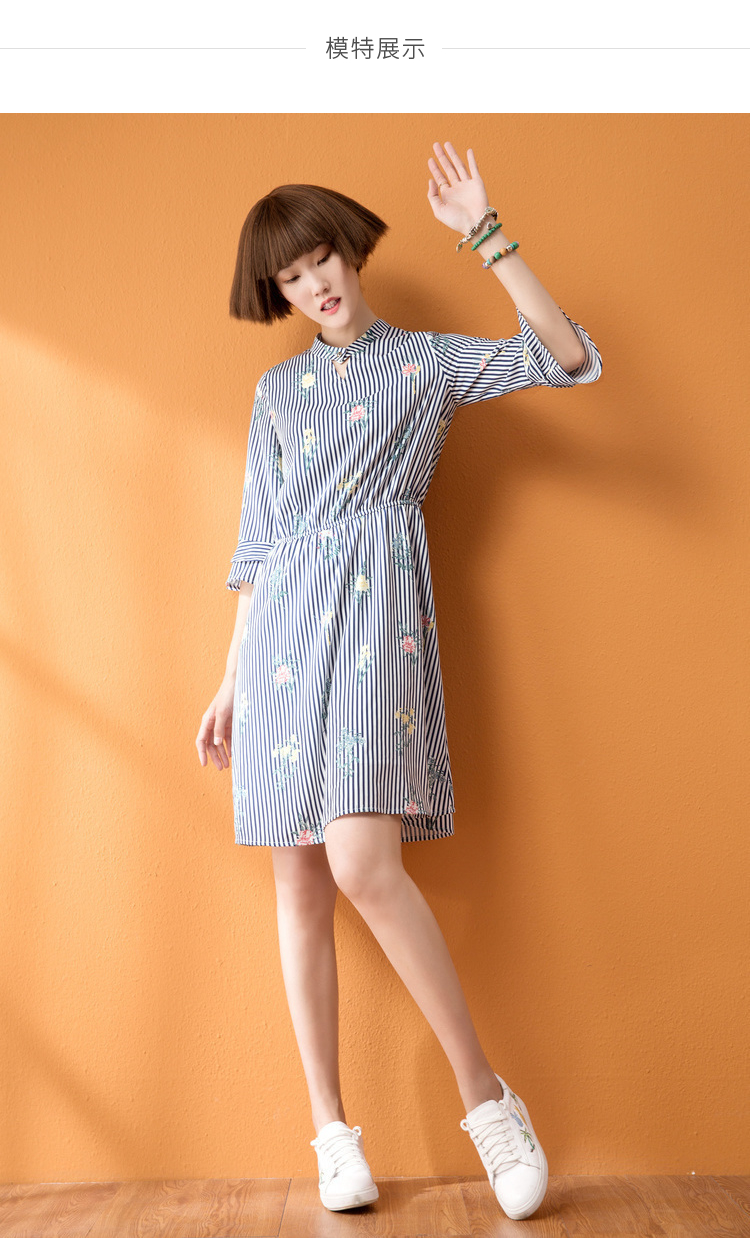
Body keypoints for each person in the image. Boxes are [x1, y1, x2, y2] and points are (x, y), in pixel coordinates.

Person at [196, 140, 603, 1221]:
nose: (314, 285)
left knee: (362, 862)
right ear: (278, 291)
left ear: (350, 250)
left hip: (377, 617)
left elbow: (561, 355)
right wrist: (230, 679)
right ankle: (332, 1133)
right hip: (280, 639)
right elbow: (258, 545)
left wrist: (487, 235)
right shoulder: (277, 393)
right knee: (298, 882)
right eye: (291, 277)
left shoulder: (423, 363)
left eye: (322, 259)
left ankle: (488, 1100)